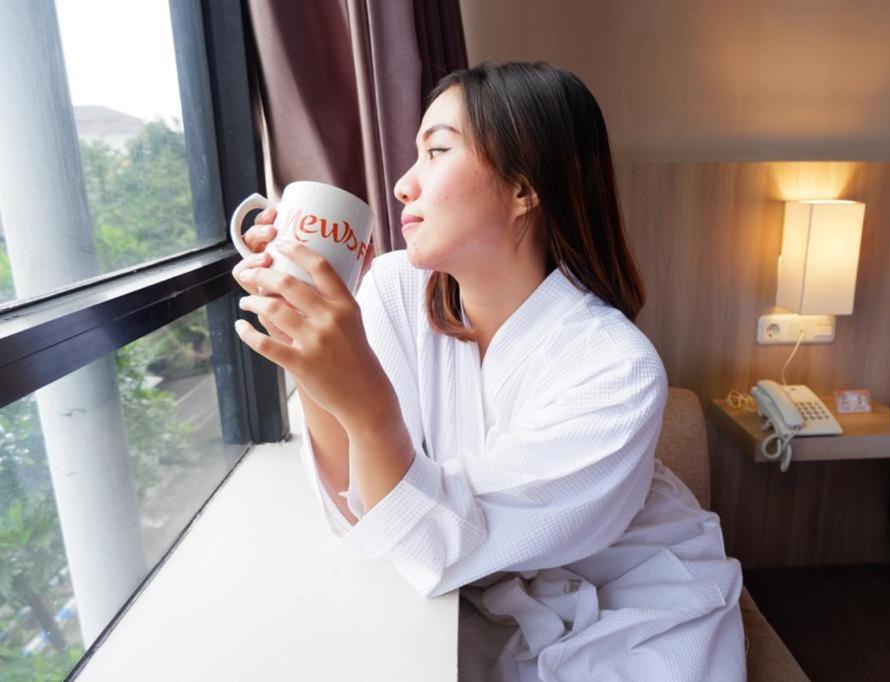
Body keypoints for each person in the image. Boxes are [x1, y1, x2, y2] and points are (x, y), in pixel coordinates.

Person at [232, 61, 746, 681]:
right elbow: (368, 515)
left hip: (632, 605)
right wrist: (303, 340)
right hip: (473, 594)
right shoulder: (394, 290)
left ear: (524, 187)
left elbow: (438, 542)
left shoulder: (619, 369)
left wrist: (366, 402)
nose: (402, 185)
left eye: (436, 151)